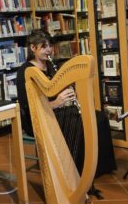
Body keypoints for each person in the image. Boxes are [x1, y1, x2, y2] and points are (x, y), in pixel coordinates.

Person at [16, 29, 117, 179]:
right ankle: (80, 171)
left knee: (100, 118)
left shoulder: (50, 65)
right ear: (32, 48)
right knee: (78, 124)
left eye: (50, 45)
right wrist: (56, 103)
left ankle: (101, 166)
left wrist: (68, 93)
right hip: (39, 117)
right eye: (44, 46)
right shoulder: (25, 72)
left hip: (58, 111)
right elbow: (29, 106)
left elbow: (56, 90)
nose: (49, 50)